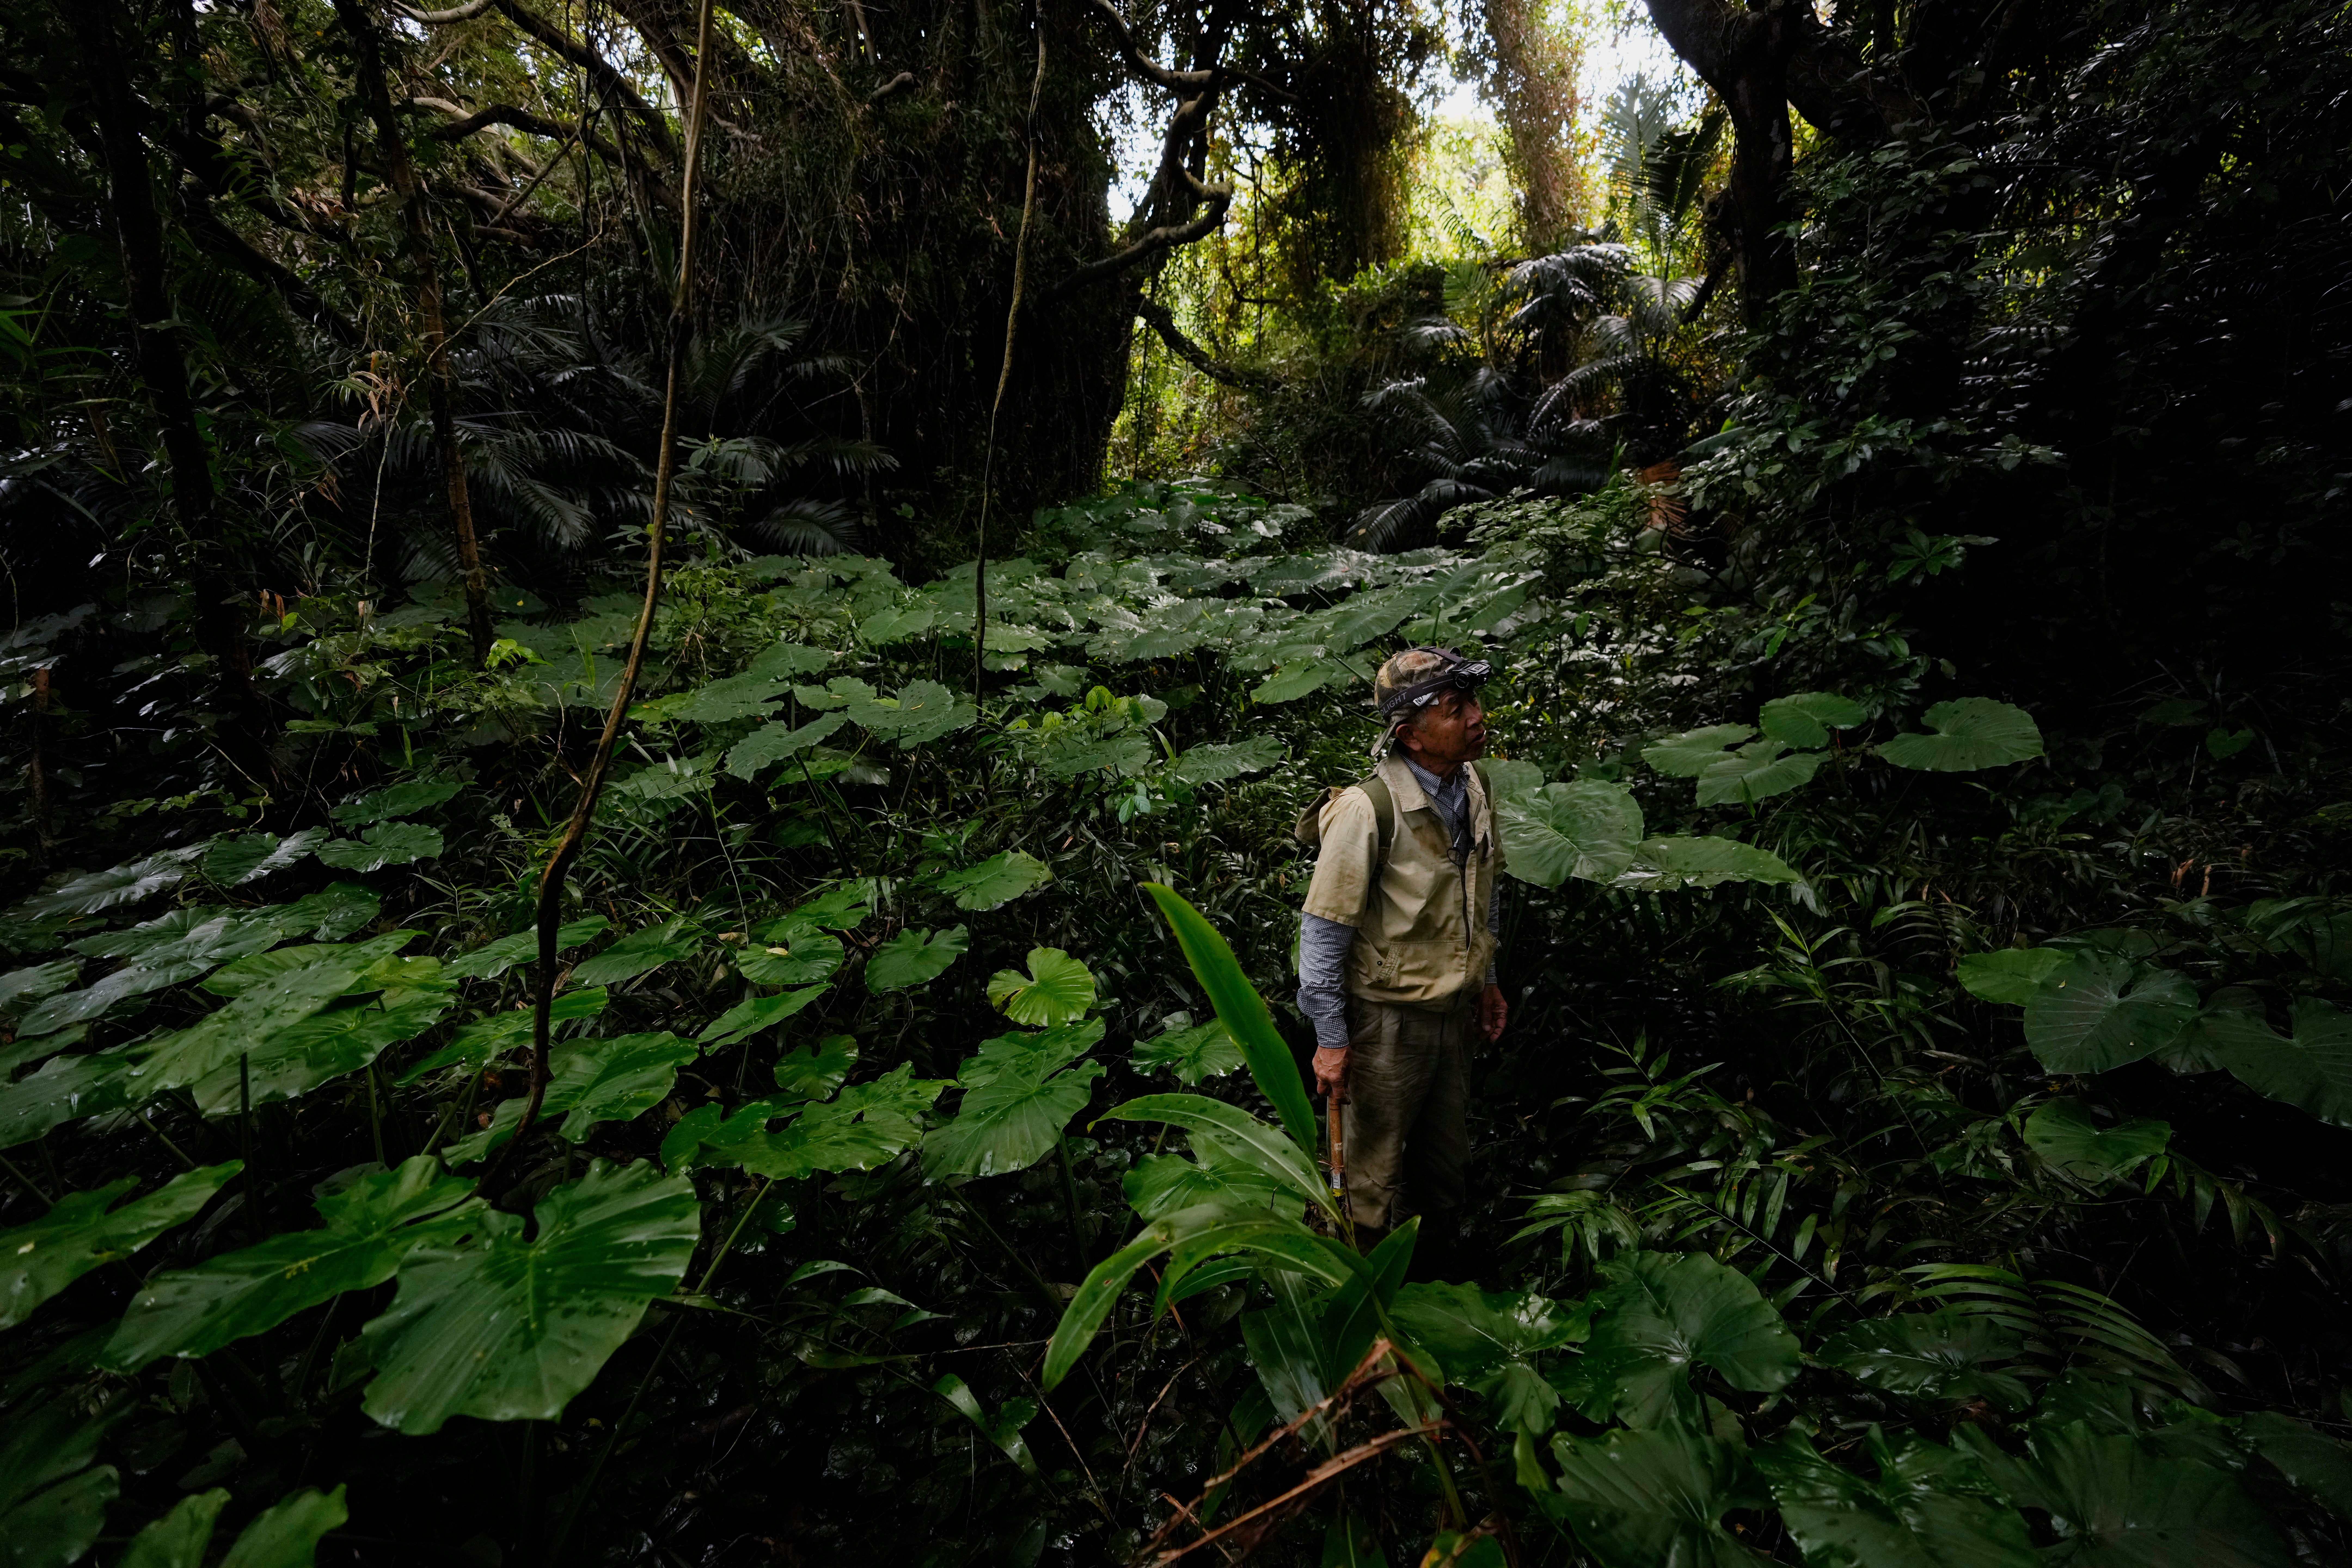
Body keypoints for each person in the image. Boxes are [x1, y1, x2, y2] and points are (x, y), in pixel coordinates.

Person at [1296, 645, 1508, 1279]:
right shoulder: (1367, 810)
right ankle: (1358, 1306)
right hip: (1386, 1026)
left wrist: (1488, 983)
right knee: (1369, 1179)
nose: (1475, 717)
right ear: (1409, 734)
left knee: (1444, 1172)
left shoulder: (1473, 785)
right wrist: (1331, 1042)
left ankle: (1432, 1295)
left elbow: (1484, 890)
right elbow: (1324, 934)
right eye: (1455, 707)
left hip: (1452, 1016)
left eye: (1472, 702)